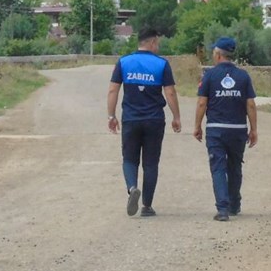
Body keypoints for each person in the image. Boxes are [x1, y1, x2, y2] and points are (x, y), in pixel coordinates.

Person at [108, 28, 181, 217]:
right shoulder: (161, 64)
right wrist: (176, 117)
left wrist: (111, 116)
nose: (158, 46)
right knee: (150, 163)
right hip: (154, 120)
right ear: (151, 43)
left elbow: (113, 90)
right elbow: (170, 92)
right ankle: (147, 206)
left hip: (131, 119)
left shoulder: (124, 62)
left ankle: (132, 187)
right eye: (157, 43)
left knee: (129, 159)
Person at [193, 36, 258, 222]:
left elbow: (201, 103)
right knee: (235, 166)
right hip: (238, 129)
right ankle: (234, 204)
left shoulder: (210, 76)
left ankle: (223, 209)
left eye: (214, 52)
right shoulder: (243, 76)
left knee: (218, 168)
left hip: (216, 130)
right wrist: (253, 129)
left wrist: (197, 126)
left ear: (218, 54)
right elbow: (251, 105)